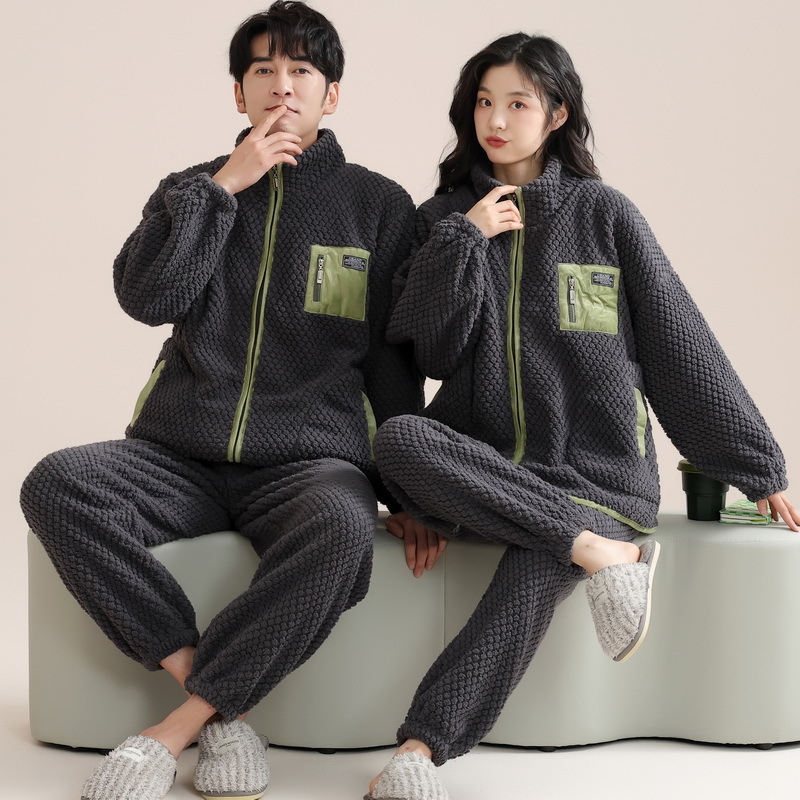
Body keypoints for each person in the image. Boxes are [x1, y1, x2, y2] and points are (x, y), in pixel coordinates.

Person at [365, 32, 799, 800]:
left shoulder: (603, 215)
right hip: (489, 471)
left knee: (534, 568)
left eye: (518, 103)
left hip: (596, 474)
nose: (497, 120)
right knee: (398, 439)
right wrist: (466, 239)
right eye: (484, 102)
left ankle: (419, 752)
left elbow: (678, 341)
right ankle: (602, 553)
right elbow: (429, 351)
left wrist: (756, 467)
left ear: (557, 114)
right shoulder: (443, 219)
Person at [19, 3, 422, 800]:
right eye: (264, 70)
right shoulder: (191, 189)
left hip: (308, 464)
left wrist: (404, 492)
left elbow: (391, 362)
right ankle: (218, 704)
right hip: (179, 454)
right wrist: (223, 188)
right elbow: (148, 297)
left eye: (301, 71)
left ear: (332, 95)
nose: (283, 86)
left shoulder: (378, 206)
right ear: (239, 92)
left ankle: (173, 732)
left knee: (343, 529)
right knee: (56, 484)